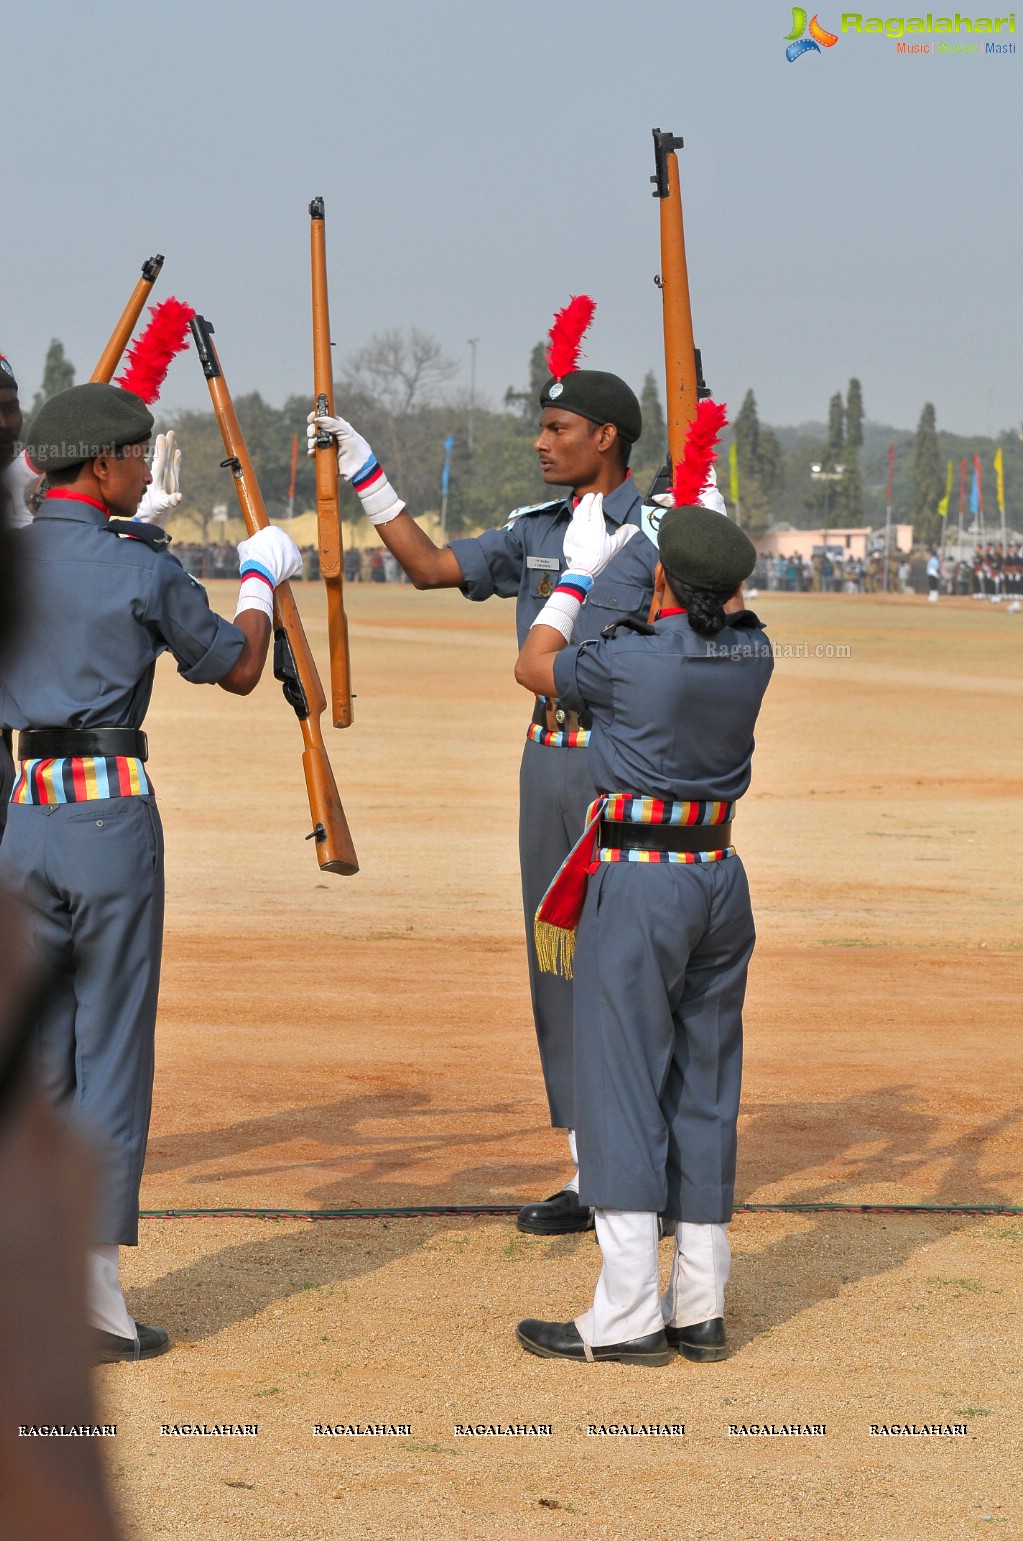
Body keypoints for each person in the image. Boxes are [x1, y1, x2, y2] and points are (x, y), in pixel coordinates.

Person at [311, 361, 725, 1235]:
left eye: (559, 430)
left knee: (640, 967)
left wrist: (703, 513)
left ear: (606, 437)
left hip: (628, 760)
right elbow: (426, 565)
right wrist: (363, 468)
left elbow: (716, 622)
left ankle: (656, 1162)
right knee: (562, 961)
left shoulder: (661, 530)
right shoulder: (535, 531)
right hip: (550, 758)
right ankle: (592, 1169)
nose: (540, 443)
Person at [0, 382, 303, 1362]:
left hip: (23, 813)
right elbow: (237, 666)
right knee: (112, 1045)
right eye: (138, 457)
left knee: (35, 1058)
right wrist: (261, 581)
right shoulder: (140, 566)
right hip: (108, 814)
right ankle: (94, 1296)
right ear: (100, 467)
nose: (145, 471)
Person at [511, 498, 773, 1365]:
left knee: (619, 1084)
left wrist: (595, 565)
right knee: (705, 1086)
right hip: (718, 880)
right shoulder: (752, 652)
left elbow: (535, 662)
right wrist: (673, 556)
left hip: (639, 883)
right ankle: (699, 1302)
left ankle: (624, 1312)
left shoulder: (630, 664)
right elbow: (714, 609)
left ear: (662, 581)